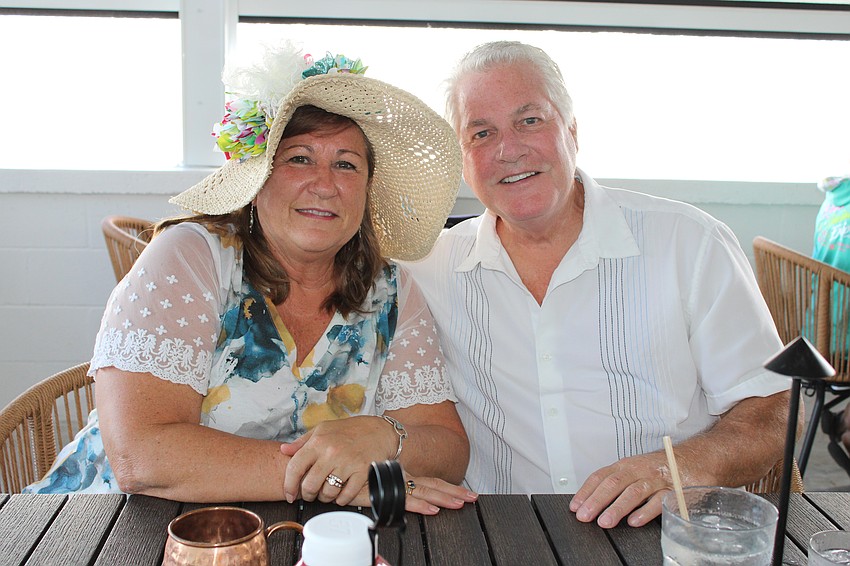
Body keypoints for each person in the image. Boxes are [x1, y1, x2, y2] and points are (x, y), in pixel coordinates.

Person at [24, 44, 478, 515]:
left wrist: (385, 435)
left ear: (366, 190)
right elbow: (141, 456)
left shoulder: (391, 290)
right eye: (300, 158)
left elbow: (448, 448)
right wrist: (332, 480)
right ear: (258, 179)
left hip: (289, 533)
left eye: (346, 164)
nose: (324, 183)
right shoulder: (193, 257)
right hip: (99, 526)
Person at [401, 41, 791, 528]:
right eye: (481, 133)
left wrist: (680, 468)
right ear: (462, 161)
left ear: (572, 131)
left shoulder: (689, 242)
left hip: (662, 530)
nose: (508, 149)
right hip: (502, 534)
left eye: (530, 120)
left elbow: (772, 403)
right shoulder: (428, 267)